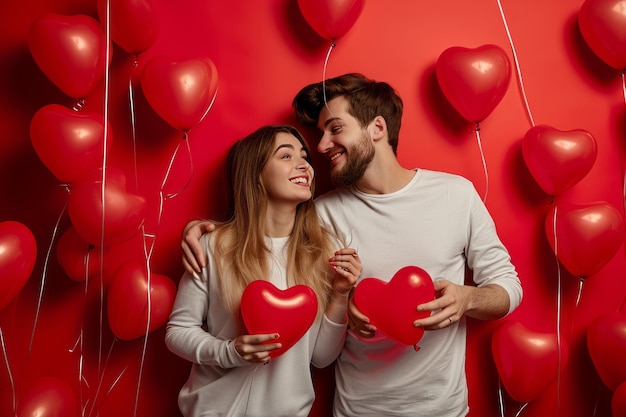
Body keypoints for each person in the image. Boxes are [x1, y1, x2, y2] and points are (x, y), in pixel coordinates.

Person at [181, 74, 523, 417]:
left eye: (334, 128)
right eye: (320, 135)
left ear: (376, 128)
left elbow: (508, 286)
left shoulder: (455, 194)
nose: (322, 146)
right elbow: (265, 231)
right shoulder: (319, 214)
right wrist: (208, 231)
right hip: (357, 409)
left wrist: (469, 299)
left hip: (444, 408)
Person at [166, 124, 361, 417]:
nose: (304, 164)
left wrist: (341, 294)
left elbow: (321, 358)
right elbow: (177, 331)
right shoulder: (212, 246)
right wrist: (229, 352)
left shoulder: (325, 252)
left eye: (304, 156)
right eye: (285, 156)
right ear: (256, 174)